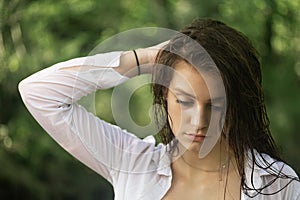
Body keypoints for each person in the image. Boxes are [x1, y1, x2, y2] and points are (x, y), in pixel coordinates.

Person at [19, 18, 299, 199]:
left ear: (238, 105)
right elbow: (38, 93)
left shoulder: (278, 184)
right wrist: (148, 57)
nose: (199, 121)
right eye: (185, 101)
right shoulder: (131, 163)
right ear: (164, 96)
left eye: (216, 105)